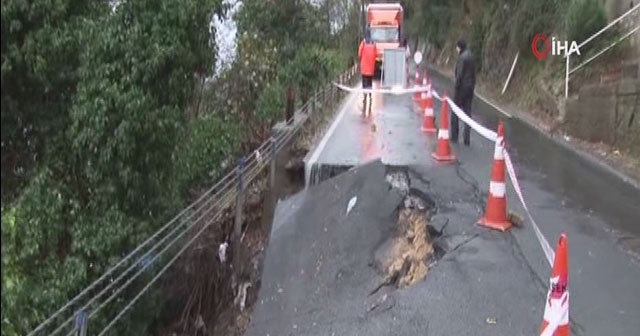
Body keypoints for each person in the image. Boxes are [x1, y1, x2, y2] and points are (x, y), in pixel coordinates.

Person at [452, 38, 476, 146]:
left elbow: (460, 75)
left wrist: (456, 87)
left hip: (461, 89)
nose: (456, 50)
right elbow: (474, 74)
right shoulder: (471, 56)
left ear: (459, 47)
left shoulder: (462, 58)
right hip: (470, 88)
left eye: (457, 47)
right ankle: (467, 138)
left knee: (455, 112)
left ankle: (454, 136)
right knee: (467, 114)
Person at [358, 28, 377, 117]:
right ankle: (370, 96)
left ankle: (365, 97)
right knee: (369, 83)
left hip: (364, 68)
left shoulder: (363, 43)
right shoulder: (373, 44)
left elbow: (359, 54)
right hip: (371, 68)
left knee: (364, 83)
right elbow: (376, 54)